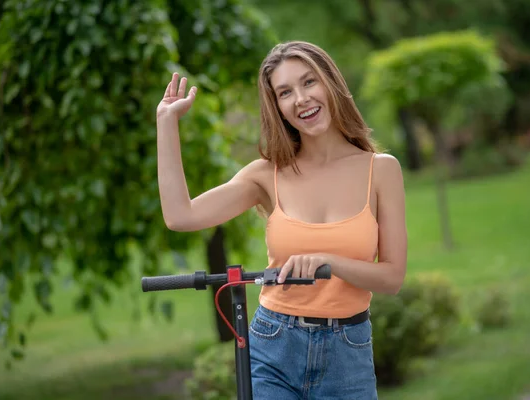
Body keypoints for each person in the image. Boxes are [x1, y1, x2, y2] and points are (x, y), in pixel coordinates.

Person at [156, 41, 407, 399]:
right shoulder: (266, 175)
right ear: (279, 109)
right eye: (285, 92)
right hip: (274, 345)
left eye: (309, 82)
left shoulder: (381, 171)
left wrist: (330, 262)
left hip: (348, 353)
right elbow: (181, 216)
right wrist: (166, 124)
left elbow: (393, 277)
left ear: (331, 83)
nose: (301, 99)